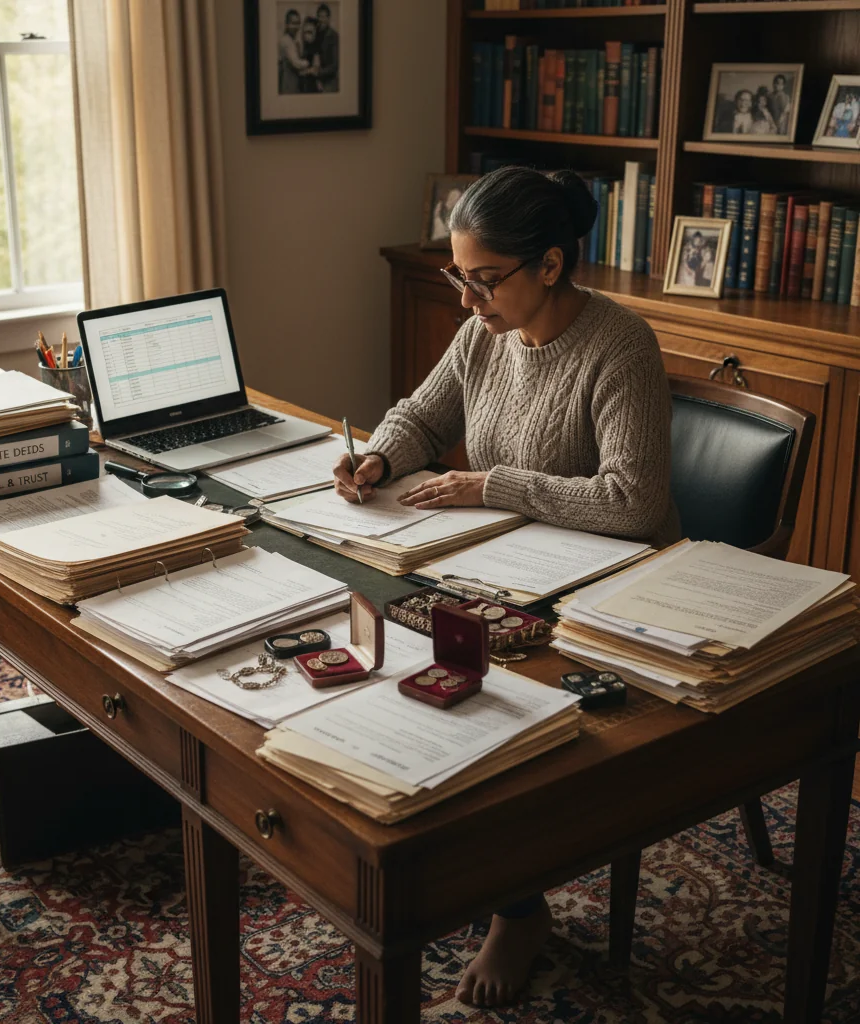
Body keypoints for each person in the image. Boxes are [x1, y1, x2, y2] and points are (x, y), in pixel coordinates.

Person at [332, 166, 679, 1006]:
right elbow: (423, 416)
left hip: (607, 583)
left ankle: (518, 907)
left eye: (482, 281)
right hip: (505, 565)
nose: (466, 300)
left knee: (478, 700)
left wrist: (492, 483)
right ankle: (443, 858)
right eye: (459, 276)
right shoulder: (485, 336)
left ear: (551, 265)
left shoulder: (619, 344)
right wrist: (380, 454)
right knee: (394, 655)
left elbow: (635, 502)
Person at [278, 9, 310, 95]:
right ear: (287, 24)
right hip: (289, 82)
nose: (296, 27)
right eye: (293, 23)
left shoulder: (294, 40)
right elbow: (296, 63)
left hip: (294, 81)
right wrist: (309, 62)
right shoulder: (286, 41)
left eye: (298, 23)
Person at [315, 2, 339, 92]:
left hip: (330, 81)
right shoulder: (317, 34)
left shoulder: (334, 36)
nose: (321, 20)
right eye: (319, 16)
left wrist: (318, 73)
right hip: (318, 81)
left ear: (329, 18)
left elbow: (335, 65)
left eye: (323, 17)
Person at [298, 17, 321, 93]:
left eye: (309, 32)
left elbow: (316, 70)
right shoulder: (306, 46)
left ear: (315, 32)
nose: (306, 35)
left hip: (311, 85)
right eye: (305, 32)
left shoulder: (315, 48)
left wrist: (304, 72)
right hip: (304, 84)